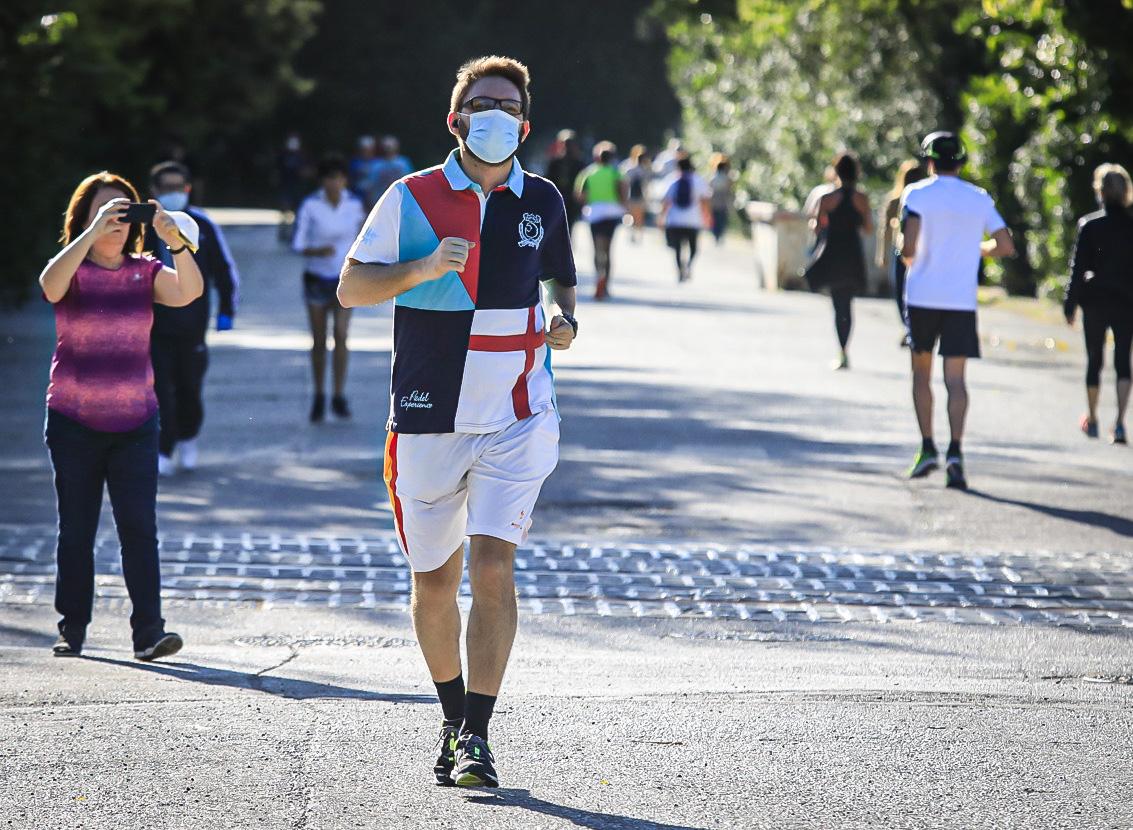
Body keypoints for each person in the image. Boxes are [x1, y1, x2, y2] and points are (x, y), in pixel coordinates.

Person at [339, 55, 577, 789]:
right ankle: (450, 718)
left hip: (517, 413)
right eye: (481, 103)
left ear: (525, 123)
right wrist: (420, 270)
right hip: (426, 416)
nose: (494, 113)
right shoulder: (409, 197)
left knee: (493, 565)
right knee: (435, 581)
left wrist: (565, 316)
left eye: (507, 104)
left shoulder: (543, 197)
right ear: (456, 118)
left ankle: (477, 733)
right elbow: (350, 288)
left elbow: (557, 276)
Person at [38, 171, 203, 660]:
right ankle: (72, 627)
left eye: (124, 211)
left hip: (135, 422)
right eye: (104, 211)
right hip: (73, 421)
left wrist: (175, 242)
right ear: (84, 217)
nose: (115, 220)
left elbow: (187, 292)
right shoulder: (73, 270)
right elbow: (49, 286)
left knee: (139, 529)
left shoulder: (145, 271)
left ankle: (149, 633)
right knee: (76, 528)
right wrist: (89, 236)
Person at [901, 131, 1015, 489]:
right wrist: (975, 250)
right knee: (956, 380)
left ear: (929, 161)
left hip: (923, 296)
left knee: (921, 375)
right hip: (960, 301)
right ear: (962, 162)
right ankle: (956, 452)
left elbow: (908, 247)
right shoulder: (978, 198)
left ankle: (926, 447)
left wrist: (911, 255)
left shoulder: (917, 193)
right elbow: (1005, 245)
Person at [146, 161, 240, 476]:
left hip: (192, 326)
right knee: (159, 389)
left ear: (188, 189)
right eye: (166, 188)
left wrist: (227, 308)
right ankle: (163, 447)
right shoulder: (142, 228)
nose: (174, 194)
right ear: (154, 191)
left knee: (189, 387)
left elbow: (224, 269)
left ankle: (188, 437)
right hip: (153, 327)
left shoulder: (201, 224)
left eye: (179, 188)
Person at [292, 154, 366, 422]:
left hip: (346, 277)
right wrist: (316, 250)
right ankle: (319, 394)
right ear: (322, 181)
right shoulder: (311, 206)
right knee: (319, 339)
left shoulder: (355, 205)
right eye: (329, 178)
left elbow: (367, 237)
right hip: (316, 277)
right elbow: (297, 243)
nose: (334, 183)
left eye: (338, 177)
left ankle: (338, 394)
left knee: (342, 334)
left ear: (345, 179)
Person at [1064, 163, 1133, 444]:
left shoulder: (1090, 225)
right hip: (1127, 301)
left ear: (1101, 192)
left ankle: (1092, 417)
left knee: (1095, 358)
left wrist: (1070, 302)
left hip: (1095, 301)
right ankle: (1119, 422)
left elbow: (1078, 267)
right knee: (1122, 362)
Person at [806, 152, 874, 370]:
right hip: (852, 253)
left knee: (838, 305)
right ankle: (845, 349)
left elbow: (816, 228)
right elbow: (868, 228)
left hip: (833, 253)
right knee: (848, 304)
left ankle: (842, 350)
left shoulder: (826, 199)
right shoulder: (861, 198)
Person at [879, 159, 927, 345]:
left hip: (920, 252)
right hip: (900, 252)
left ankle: (913, 328)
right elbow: (885, 229)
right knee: (901, 292)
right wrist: (882, 254)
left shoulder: (923, 199)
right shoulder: (895, 200)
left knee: (912, 291)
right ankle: (908, 327)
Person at [574, 141, 628, 299]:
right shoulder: (617, 172)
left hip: (595, 213)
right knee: (608, 249)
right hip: (612, 212)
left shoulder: (588, 173)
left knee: (597, 249)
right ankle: (607, 285)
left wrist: (588, 202)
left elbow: (580, 194)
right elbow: (623, 191)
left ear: (597, 157)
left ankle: (599, 277)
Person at [659, 153, 711, 283]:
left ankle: (679, 270)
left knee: (677, 248)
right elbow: (704, 201)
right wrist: (707, 216)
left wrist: (661, 217)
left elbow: (666, 201)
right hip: (693, 220)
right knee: (693, 248)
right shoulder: (698, 180)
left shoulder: (672, 180)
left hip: (675, 220)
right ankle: (688, 265)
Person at [545, 129, 586, 237]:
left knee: (568, 226)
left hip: (571, 200)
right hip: (558, 197)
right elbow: (549, 180)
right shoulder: (555, 162)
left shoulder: (579, 163)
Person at [363, 135, 414, 206]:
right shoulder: (376, 165)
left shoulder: (403, 163)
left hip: (400, 200)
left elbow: (410, 182)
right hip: (380, 201)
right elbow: (371, 186)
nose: (388, 150)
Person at [620, 144, 653, 242]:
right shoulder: (640, 168)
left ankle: (635, 234)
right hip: (636, 195)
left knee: (635, 216)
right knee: (636, 216)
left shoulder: (630, 168)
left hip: (634, 195)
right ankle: (636, 234)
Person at [708, 153, 736, 245]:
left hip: (714, 201)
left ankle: (716, 235)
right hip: (723, 201)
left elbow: (709, 189)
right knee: (722, 219)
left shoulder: (713, 178)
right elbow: (730, 190)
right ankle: (720, 235)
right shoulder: (727, 178)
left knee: (715, 219)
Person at [349, 135, 379, 201]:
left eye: (369, 149)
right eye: (364, 150)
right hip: (358, 197)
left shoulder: (379, 163)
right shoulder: (354, 163)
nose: (366, 152)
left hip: (375, 197)